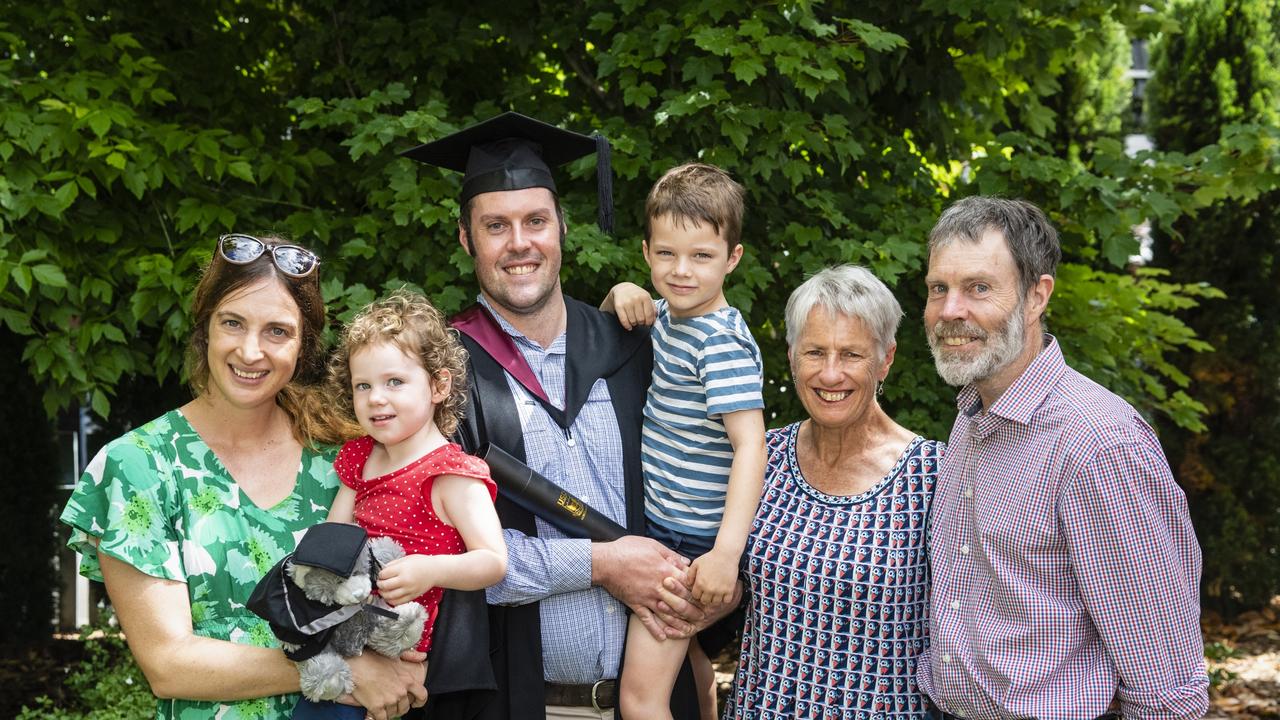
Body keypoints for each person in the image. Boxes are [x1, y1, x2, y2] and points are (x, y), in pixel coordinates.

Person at [401, 112, 709, 719]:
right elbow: (437, 549)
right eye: (496, 226)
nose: (520, 242)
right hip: (512, 703)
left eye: (536, 221)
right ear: (466, 239)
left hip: (649, 700)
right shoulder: (437, 378)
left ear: (562, 228)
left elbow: (702, 484)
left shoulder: (635, 346)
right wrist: (602, 564)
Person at [59, 234, 429, 720]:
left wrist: (408, 661)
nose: (251, 351)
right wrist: (342, 667)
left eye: (277, 331)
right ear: (205, 328)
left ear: (303, 345)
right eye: (232, 323)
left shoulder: (349, 459)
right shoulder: (140, 466)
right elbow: (169, 664)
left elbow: (416, 574)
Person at [917, 196, 1208, 719]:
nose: (950, 310)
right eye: (940, 288)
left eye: (978, 288)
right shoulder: (970, 415)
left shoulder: (1098, 445)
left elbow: (1165, 679)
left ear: (1036, 297)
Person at [721, 265, 941, 719]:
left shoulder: (934, 475)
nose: (831, 373)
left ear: (886, 359)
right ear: (790, 356)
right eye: (815, 352)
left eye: (852, 355)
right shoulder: (762, 458)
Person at [290, 290, 508, 719]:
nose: (376, 398)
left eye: (395, 382)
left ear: (439, 385)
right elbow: (332, 541)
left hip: (401, 649)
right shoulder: (361, 458)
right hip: (345, 637)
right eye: (363, 386)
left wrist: (431, 569)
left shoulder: (450, 473)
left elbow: (493, 560)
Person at [599, 162, 766, 720]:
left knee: (641, 700)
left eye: (702, 257)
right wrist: (619, 294)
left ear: (732, 259)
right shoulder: (669, 317)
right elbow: (607, 340)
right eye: (667, 254)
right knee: (686, 661)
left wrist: (725, 554)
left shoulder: (719, 344)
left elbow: (750, 446)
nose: (681, 271)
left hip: (695, 544)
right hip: (665, 524)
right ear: (646, 252)